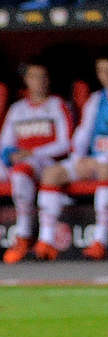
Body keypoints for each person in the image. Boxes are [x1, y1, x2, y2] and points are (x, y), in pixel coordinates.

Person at [36, 56, 108, 261]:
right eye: (102, 70)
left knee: (105, 170)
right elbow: (83, 132)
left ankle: (100, 241)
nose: (107, 75)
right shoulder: (95, 99)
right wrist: (78, 159)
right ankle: (46, 241)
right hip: (92, 160)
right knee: (52, 173)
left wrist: (104, 158)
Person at [0, 63, 72, 264]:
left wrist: (32, 152)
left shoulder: (57, 105)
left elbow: (66, 142)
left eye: (42, 77)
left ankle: (23, 235)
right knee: (19, 172)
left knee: (22, 172)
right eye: (33, 77)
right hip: (18, 163)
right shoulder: (17, 109)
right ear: (26, 80)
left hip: (47, 161)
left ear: (48, 80)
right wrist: (11, 154)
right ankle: (23, 236)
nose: (38, 82)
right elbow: (5, 142)